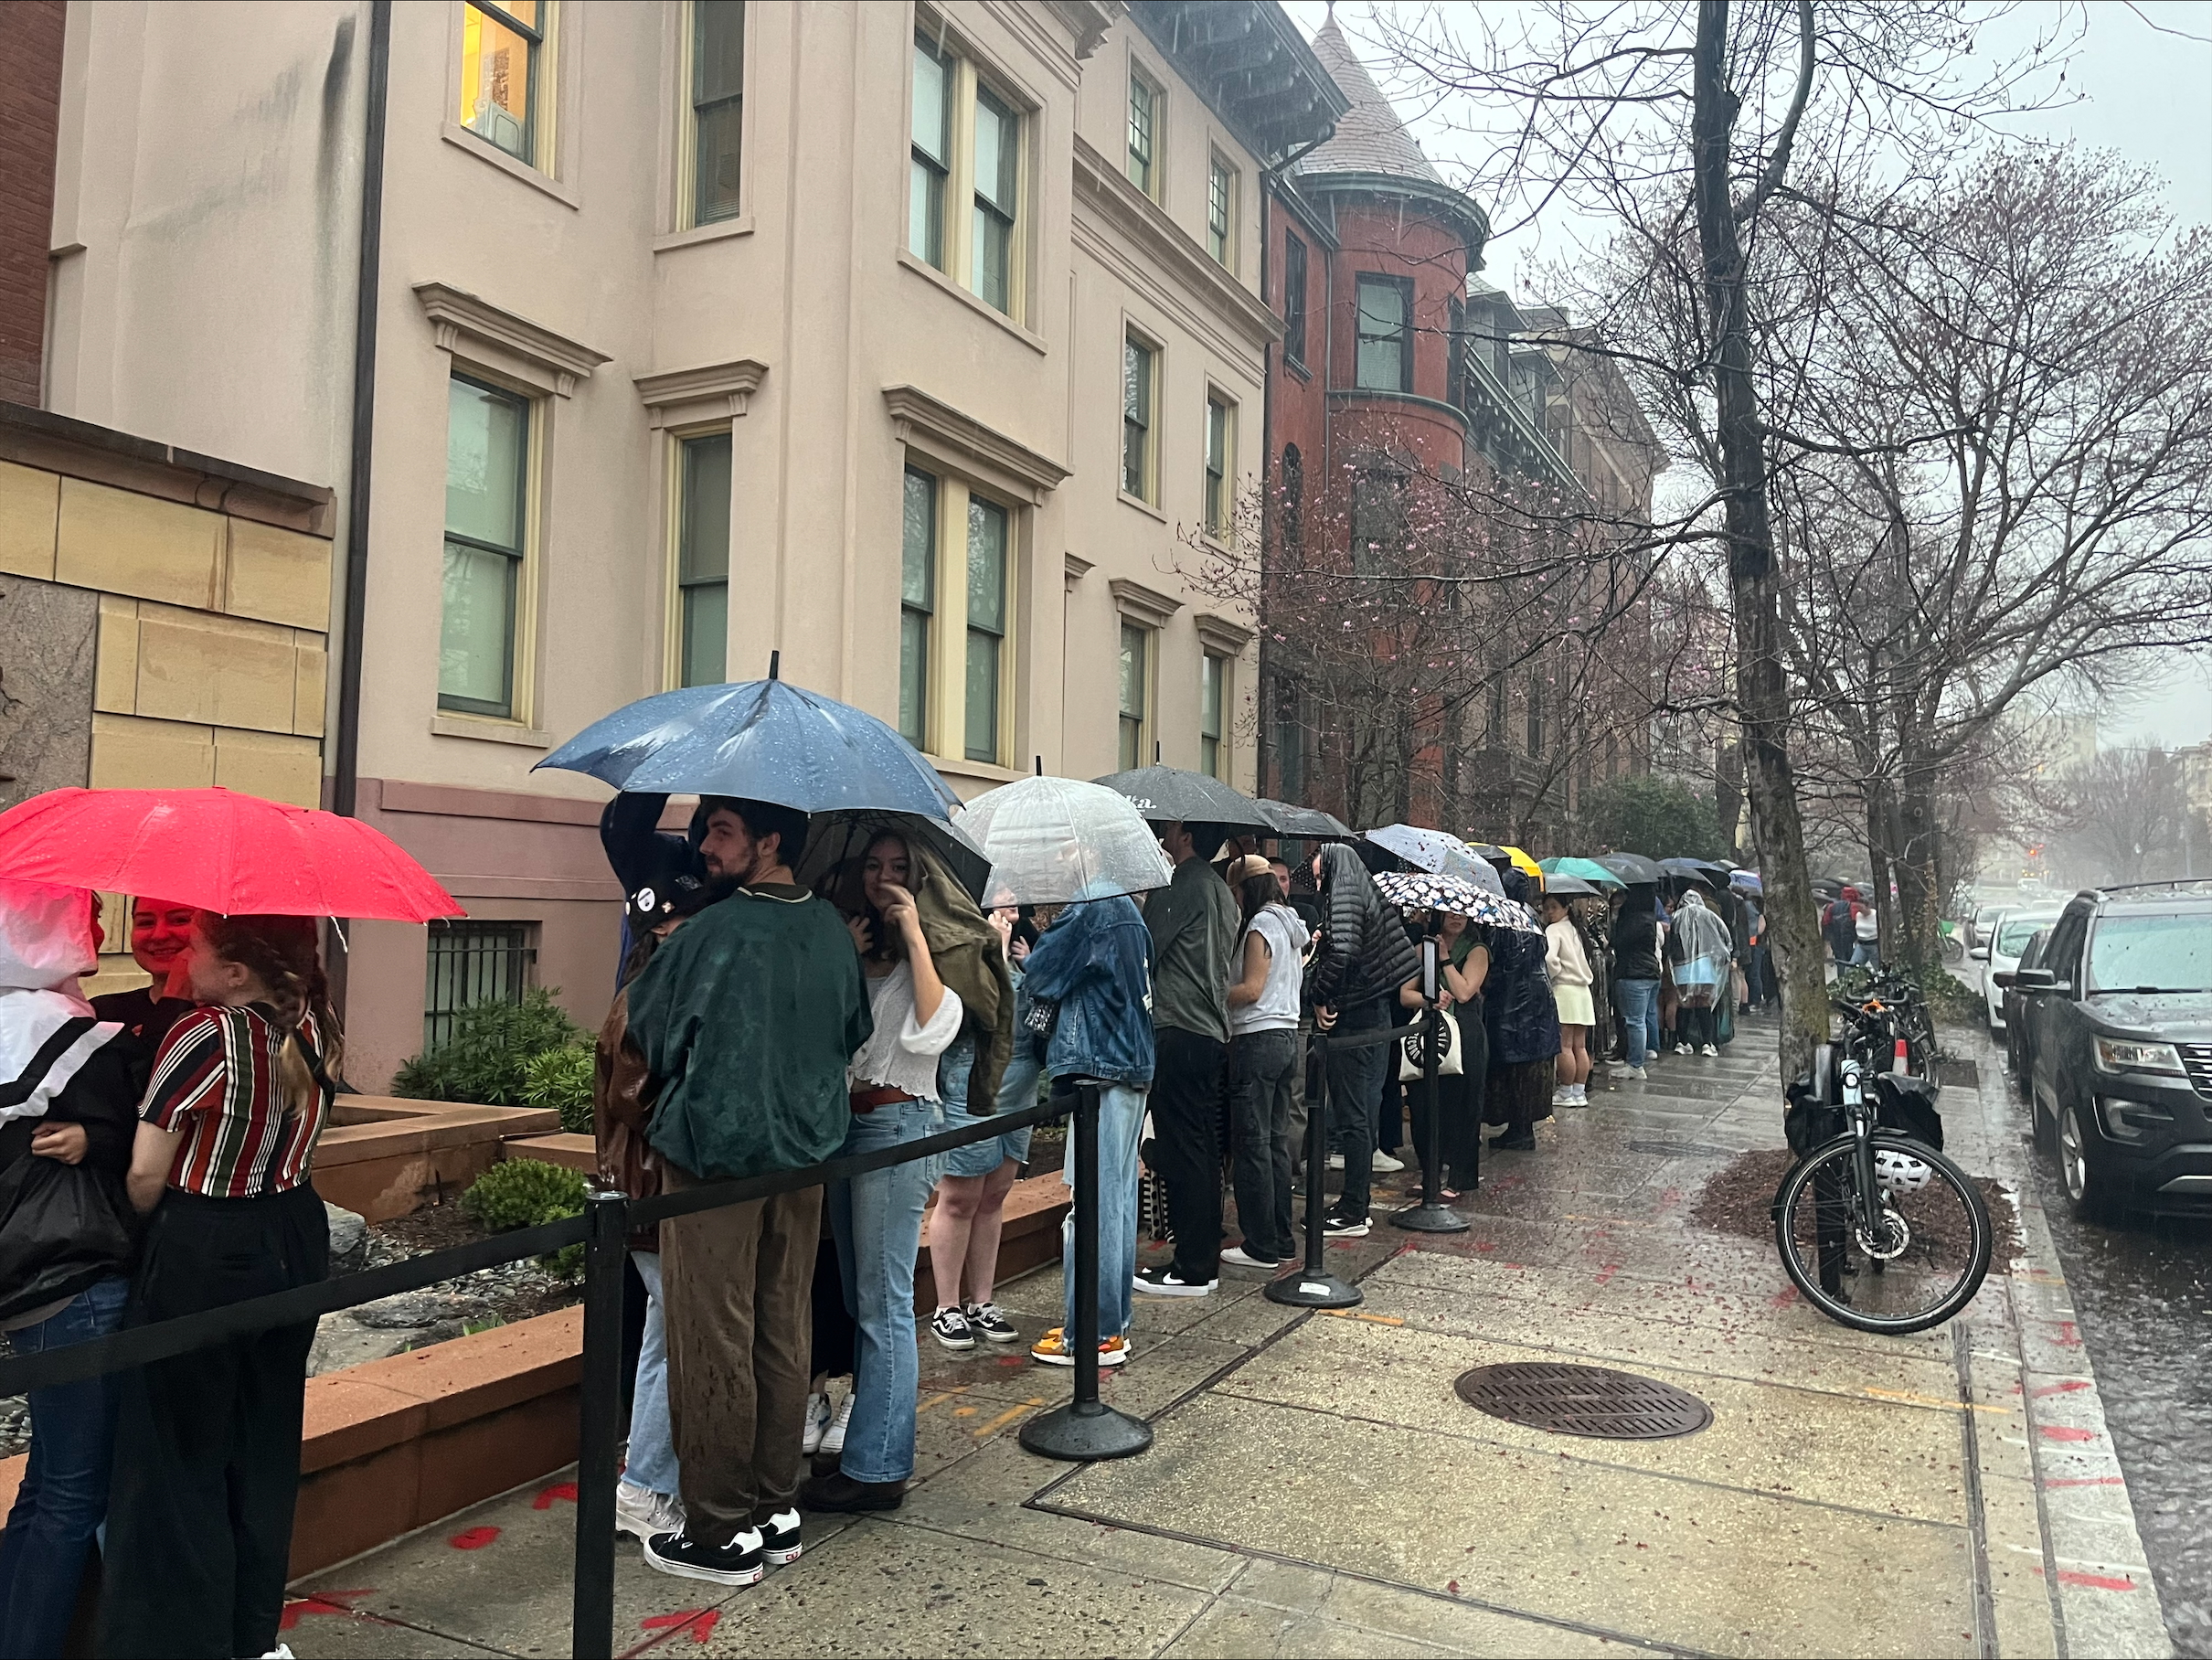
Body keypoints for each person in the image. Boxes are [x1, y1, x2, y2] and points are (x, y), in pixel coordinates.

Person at [622, 796, 871, 1586]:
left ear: (769, 841)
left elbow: (650, 1034)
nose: (705, 844)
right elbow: (853, 1029)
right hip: (804, 1156)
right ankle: (774, 1504)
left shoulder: (715, 931)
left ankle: (722, 1527)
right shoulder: (830, 928)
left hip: (716, 1160)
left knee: (713, 1334)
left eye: (722, 831)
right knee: (780, 1324)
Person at [101, 912, 339, 1660]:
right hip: (295, 1231)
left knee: (180, 1451)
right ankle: (252, 1637)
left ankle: (183, 1641)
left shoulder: (204, 1033)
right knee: (264, 1441)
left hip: (208, 1239)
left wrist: (138, 1233)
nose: (186, 954)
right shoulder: (312, 1028)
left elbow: (145, 1171)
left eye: (200, 945)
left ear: (235, 972)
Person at [803, 833, 970, 1516]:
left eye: (898, 868)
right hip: (848, 1128)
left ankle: (878, 1469)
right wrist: (838, 951)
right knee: (859, 1295)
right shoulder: (852, 949)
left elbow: (934, 1030)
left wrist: (912, 928)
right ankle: (868, 1452)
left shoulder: (931, 953)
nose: (882, 877)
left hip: (900, 1125)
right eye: (872, 865)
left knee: (885, 1303)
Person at [0, 882, 144, 1660]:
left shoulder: (6, 1021)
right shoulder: (71, 1036)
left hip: (21, 1283)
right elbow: (146, 1141)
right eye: (79, 912)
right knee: (72, 1492)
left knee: (46, 1480)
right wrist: (101, 1136)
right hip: (75, 1279)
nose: (94, 925)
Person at [595, 878, 735, 1546]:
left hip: (651, 1188)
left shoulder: (655, 995)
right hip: (654, 1188)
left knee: (665, 1335)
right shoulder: (649, 1004)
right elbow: (641, 1101)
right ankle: (645, 1484)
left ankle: (648, 1480)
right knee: (675, 1335)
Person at [1022, 882, 1154, 1370]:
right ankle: (1109, 1327)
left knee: (1092, 1209)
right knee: (1114, 1204)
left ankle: (1094, 1333)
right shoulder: (1126, 909)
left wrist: (1035, 939)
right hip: (1130, 1066)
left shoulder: (1091, 906)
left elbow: (1041, 971)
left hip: (1099, 1069)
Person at [920, 878, 1023, 1354]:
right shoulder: (957, 949)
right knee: (959, 1197)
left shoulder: (1020, 948)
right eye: (1003, 903)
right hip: (966, 1087)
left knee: (994, 1194)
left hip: (1016, 1090)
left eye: (1016, 904)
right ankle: (947, 1305)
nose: (1012, 913)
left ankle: (982, 1299)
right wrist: (993, 960)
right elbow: (967, 1016)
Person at [1136, 820, 1239, 1297]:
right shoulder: (1220, 889)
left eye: (1171, 828)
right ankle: (1198, 1259)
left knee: (1185, 1150)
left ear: (1188, 836)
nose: (1163, 832)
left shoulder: (1182, 885)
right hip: (1210, 1030)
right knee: (1201, 1147)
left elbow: (1145, 948)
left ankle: (1192, 1266)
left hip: (1179, 1027)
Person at [1308, 845, 1419, 1237]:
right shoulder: (1364, 890)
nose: (1317, 880)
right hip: (1377, 1014)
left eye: (1319, 871)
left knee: (1354, 1118)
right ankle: (1356, 1204)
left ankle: (1353, 1210)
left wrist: (1319, 996)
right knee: (1363, 1117)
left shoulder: (1345, 890)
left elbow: (1344, 951)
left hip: (1355, 1019)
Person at [1220, 856, 1309, 1269]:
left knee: (1252, 1145)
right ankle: (1281, 1237)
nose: (1235, 899)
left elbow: (1252, 989)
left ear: (1247, 890)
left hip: (1256, 1038)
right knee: (1274, 1142)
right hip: (1286, 1038)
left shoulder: (1260, 926)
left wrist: (1214, 992)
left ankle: (1260, 1244)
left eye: (1236, 891)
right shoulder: (1291, 924)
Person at [1407, 908, 1487, 1198]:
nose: (1457, 917)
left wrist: (1444, 959)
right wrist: (1429, 998)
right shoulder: (1424, 947)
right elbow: (1405, 993)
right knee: (1424, 1103)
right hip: (1430, 1031)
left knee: (1462, 1104)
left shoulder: (1477, 950)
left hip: (1465, 1032)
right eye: (1451, 912)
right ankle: (1429, 1171)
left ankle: (1459, 1177)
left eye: (1463, 913)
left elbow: (1464, 992)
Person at [1482, 874, 1561, 1151]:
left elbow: (1496, 962)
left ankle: (1518, 1127)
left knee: (1511, 1064)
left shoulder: (1501, 918)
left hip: (1511, 1001)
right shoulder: (1532, 916)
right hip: (1539, 998)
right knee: (1528, 1065)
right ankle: (1521, 1125)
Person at [88, 894, 197, 1048]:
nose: (159, 935)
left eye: (180, 920)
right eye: (146, 922)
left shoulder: (234, 1019)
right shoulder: (102, 1014)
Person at [1543, 893, 1595, 1107]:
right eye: (1546, 908)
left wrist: (1551, 975)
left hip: (1564, 990)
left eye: (1553, 907)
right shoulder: (1575, 929)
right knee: (1579, 1046)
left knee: (1564, 1045)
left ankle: (1565, 1091)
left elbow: (1549, 958)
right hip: (1582, 992)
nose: (1549, 912)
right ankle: (1579, 1092)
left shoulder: (1553, 930)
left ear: (1565, 908)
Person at [1669, 888, 1733, 1057]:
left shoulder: (1676, 918)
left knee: (1685, 1004)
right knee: (1704, 1004)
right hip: (1705, 967)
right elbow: (1723, 938)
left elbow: (1671, 944)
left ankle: (1682, 1042)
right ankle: (1707, 1043)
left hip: (1682, 967)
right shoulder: (1708, 916)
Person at [1610, 884, 1663, 1080]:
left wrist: (1615, 918)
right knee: (1646, 1016)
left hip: (1633, 973)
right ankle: (1646, 1052)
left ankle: (1635, 1064)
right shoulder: (1649, 917)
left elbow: (1617, 941)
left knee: (1634, 1021)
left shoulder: (1632, 919)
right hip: (1649, 971)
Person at [1823, 886, 1861, 968]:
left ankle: (1841, 978)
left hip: (1835, 938)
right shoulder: (1854, 906)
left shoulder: (1831, 907)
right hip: (1850, 939)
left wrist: (1826, 940)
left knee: (1840, 959)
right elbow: (1857, 921)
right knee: (1851, 960)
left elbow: (1825, 922)